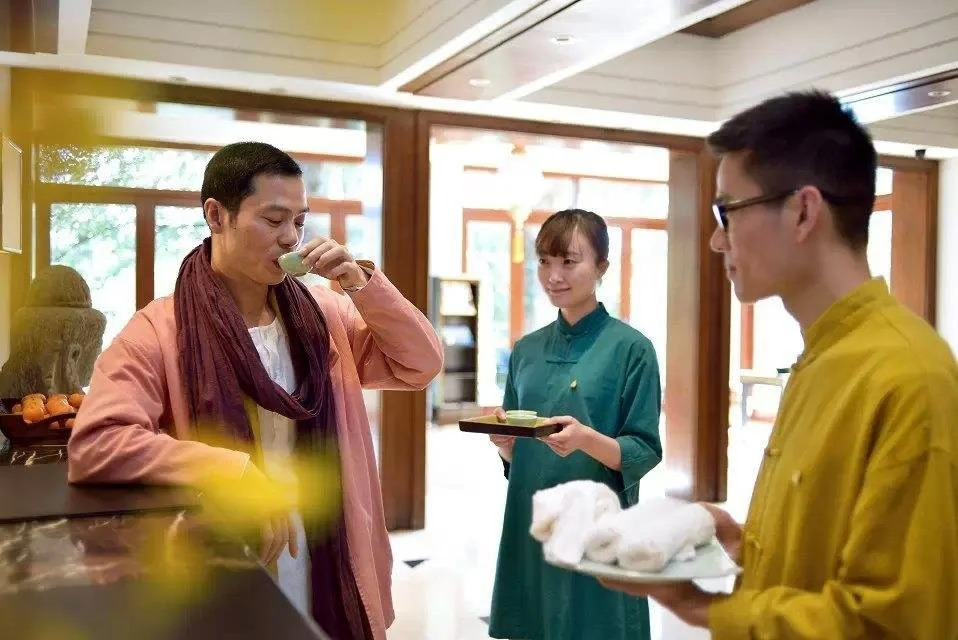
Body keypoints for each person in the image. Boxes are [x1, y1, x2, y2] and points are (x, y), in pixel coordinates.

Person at [600, 91, 958, 639]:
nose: (716, 240)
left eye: (727, 212)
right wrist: (744, 541)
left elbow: (889, 621)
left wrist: (704, 609)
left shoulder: (908, 376)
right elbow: (825, 557)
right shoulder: (823, 358)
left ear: (803, 211)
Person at [67, 141, 443, 640]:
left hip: (330, 550)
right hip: (224, 550)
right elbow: (98, 443)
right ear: (216, 215)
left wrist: (360, 283)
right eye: (273, 219)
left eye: (299, 221)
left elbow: (421, 364)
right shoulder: (160, 329)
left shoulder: (324, 316)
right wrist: (233, 471)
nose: (290, 237)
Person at [487, 208, 663, 640]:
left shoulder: (632, 349)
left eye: (569, 261)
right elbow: (518, 451)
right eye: (544, 261)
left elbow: (643, 449)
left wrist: (585, 439)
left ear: (602, 266)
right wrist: (505, 445)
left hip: (597, 523)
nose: (554, 276)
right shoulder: (526, 350)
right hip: (533, 517)